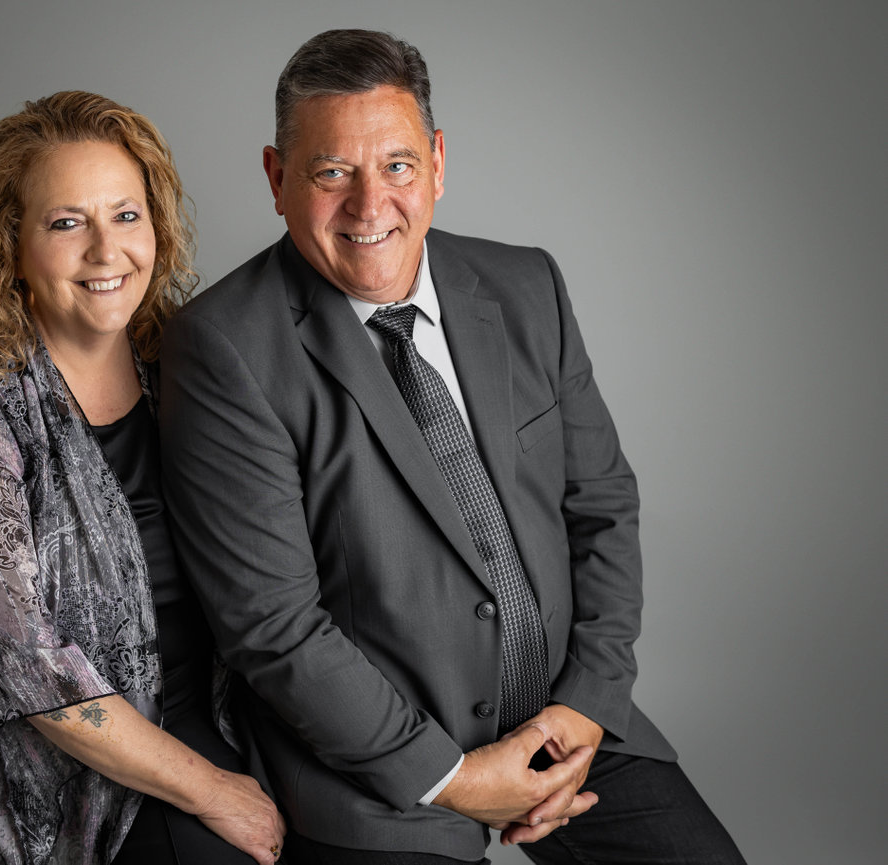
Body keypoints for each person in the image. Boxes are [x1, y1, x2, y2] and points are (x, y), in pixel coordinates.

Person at [159, 30, 745, 865]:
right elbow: (273, 625)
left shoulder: (525, 286)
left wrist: (585, 704)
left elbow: (603, 507)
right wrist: (454, 778)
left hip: (562, 717)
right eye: (332, 172)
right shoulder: (224, 347)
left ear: (437, 161)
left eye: (396, 165)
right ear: (276, 178)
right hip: (378, 766)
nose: (370, 205)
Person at [0, 91, 285, 865]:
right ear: (10, 244)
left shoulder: (184, 364)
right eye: (67, 223)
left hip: (207, 722)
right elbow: (29, 672)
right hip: (41, 788)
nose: (106, 250)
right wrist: (215, 791)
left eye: (126, 215)